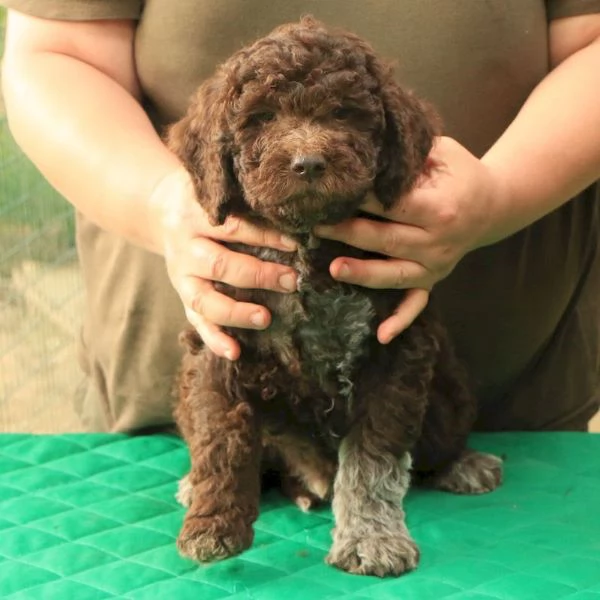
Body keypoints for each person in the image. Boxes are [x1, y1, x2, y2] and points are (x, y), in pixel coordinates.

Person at [2, 1, 600, 433]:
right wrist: (157, 199)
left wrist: (502, 194)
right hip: (196, 399)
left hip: (501, 406)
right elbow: (56, 53)